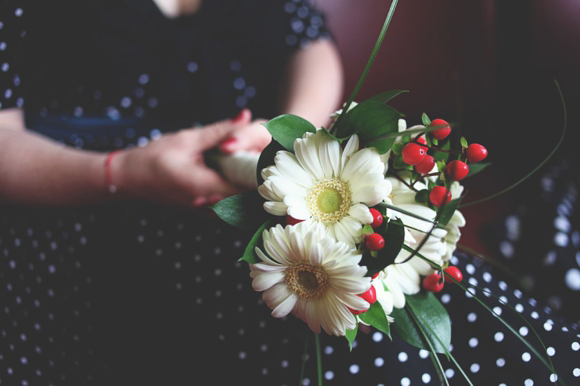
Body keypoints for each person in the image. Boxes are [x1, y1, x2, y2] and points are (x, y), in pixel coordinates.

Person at [1, 1, 579, 385]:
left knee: (438, 292)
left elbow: (310, 43)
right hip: (92, 205)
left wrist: (290, 144)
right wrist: (121, 170)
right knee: (341, 338)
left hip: (268, 181)